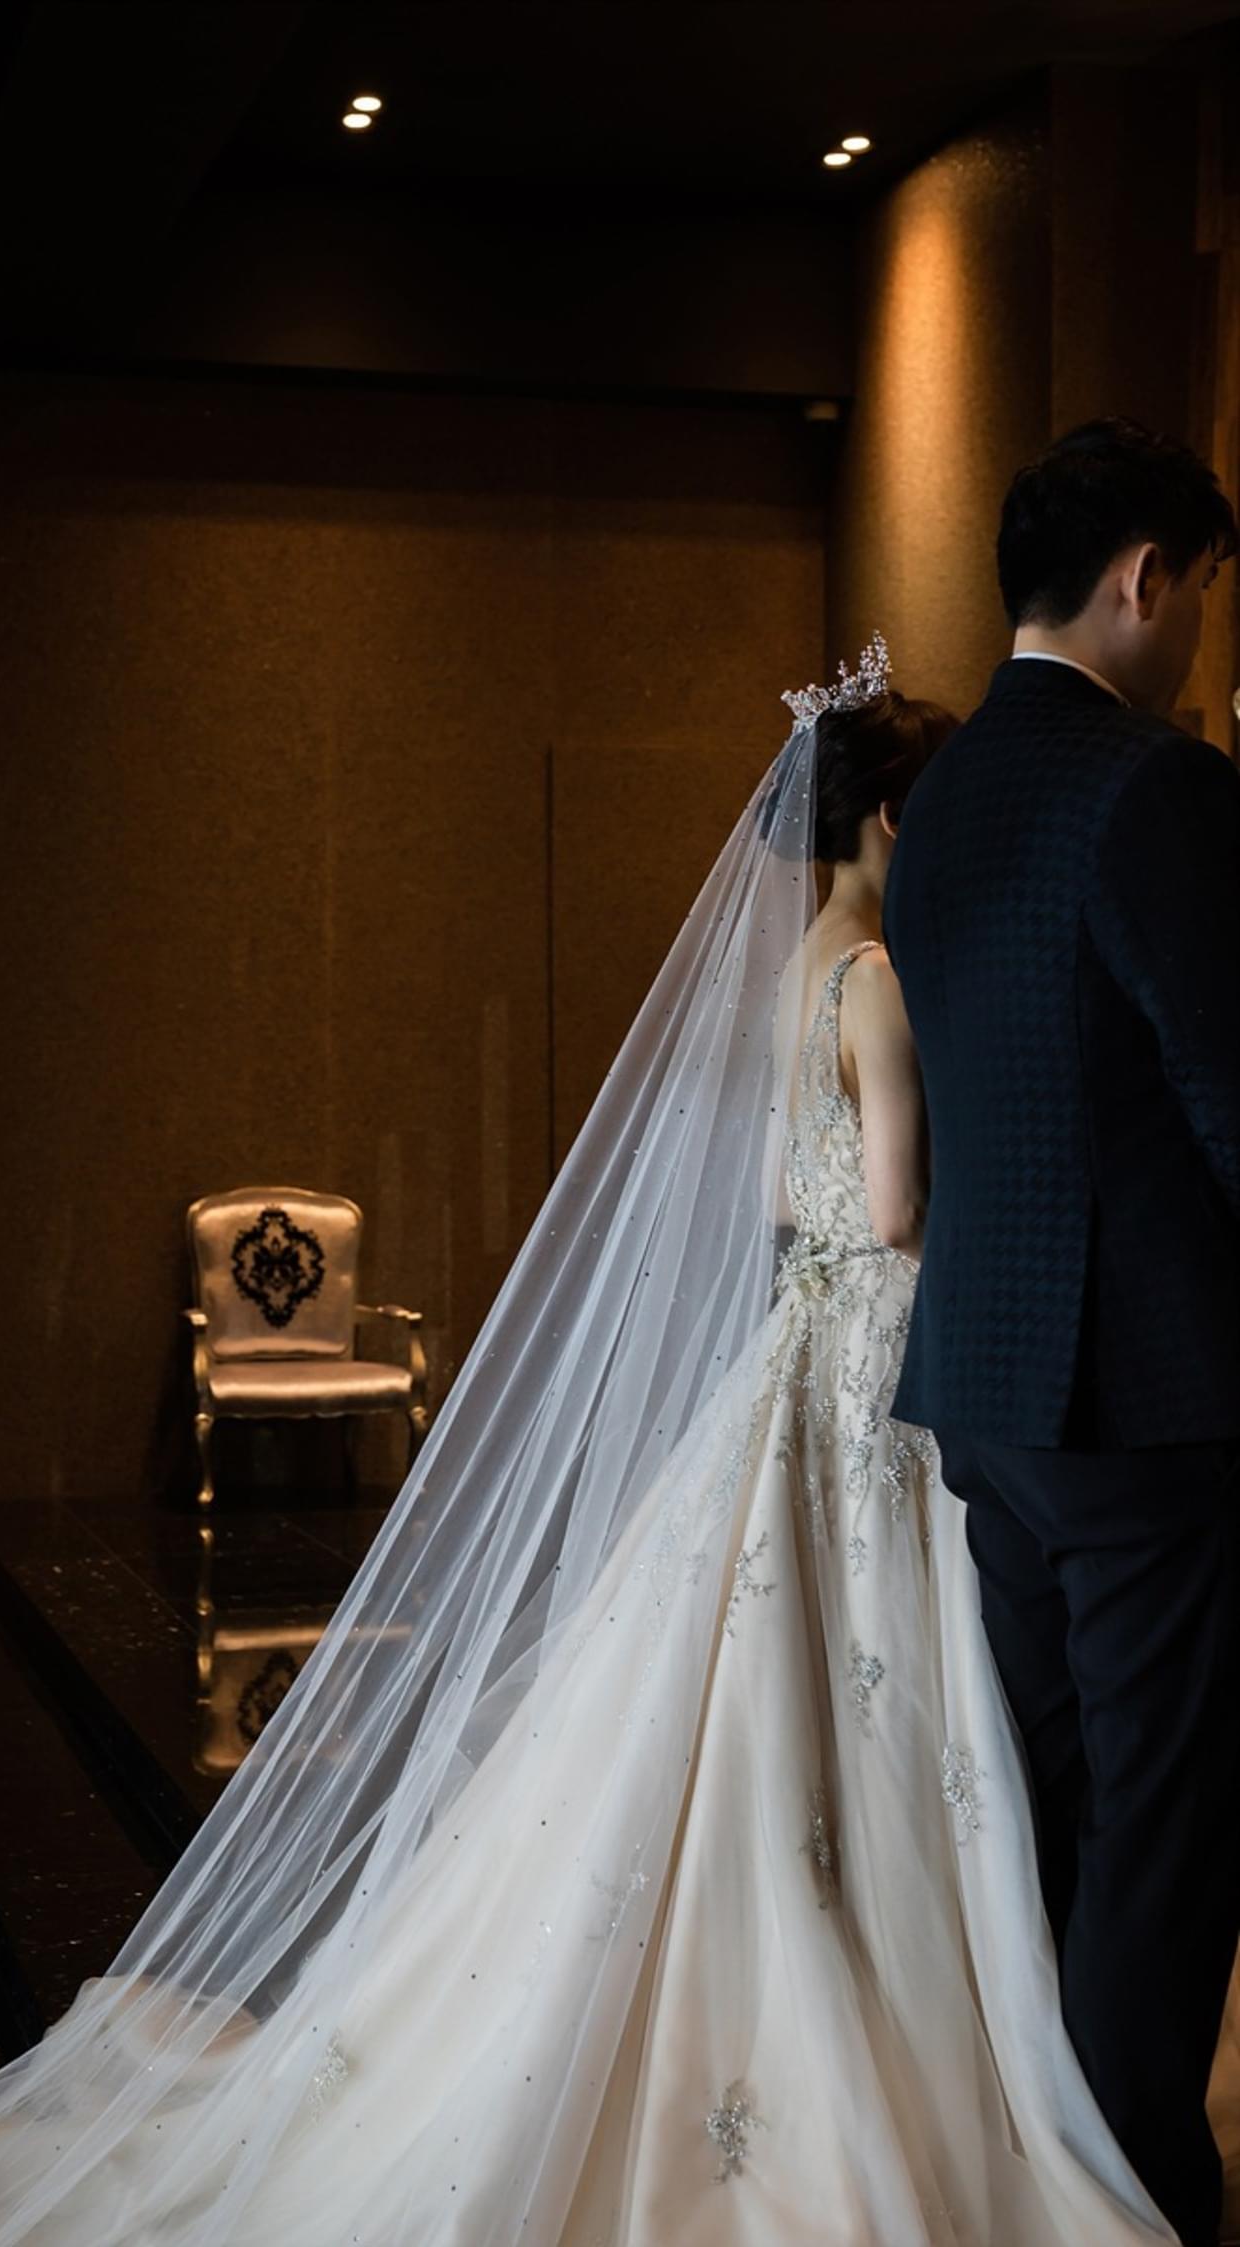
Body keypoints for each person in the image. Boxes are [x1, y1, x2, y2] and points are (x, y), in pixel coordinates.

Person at [0, 650, 1199, 2247]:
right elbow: (901, 1203)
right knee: (880, 1679)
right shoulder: (883, 980)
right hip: (875, 1348)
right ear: (899, 821)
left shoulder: (795, 975)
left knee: (768, 1680)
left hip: (795, 1342)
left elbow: (786, 1195)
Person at [884, 418, 1240, 2247]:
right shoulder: (1156, 785)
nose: (1200, 633)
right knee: (1163, 1840)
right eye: (1205, 591)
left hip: (995, 1389)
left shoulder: (943, 799)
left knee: (1052, 1815)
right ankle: (1141, 2205)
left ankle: (1042, 2175)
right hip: (1154, 1399)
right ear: (1144, 578)